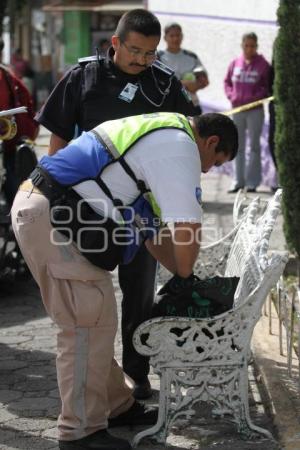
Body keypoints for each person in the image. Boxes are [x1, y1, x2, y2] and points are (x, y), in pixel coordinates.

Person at [12, 111, 238, 450]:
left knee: (97, 319)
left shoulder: (162, 138)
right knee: (84, 324)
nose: (208, 171)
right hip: (53, 216)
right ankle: (80, 433)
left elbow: (155, 237)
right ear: (211, 142)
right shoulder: (180, 148)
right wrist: (189, 279)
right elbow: (186, 228)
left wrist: (183, 276)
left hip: (51, 210)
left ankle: (116, 406)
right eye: (216, 163)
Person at [35, 8, 199, 401]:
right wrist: (52, 198)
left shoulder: (163, 84)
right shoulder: (84, 77)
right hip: (86, 207)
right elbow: (56, 141)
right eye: (135, 51)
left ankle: (136, 375)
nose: (142, 61)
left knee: (139, 292)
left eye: (150, 53)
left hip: (143, 209)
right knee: (90, 297)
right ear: (115, 44)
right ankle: (96, 382)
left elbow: (189, 134)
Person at [224, 32, 270, 193]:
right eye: (246, 45)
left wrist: (253, 99)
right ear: (242, 45)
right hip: (237, 110)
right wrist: (232, 96)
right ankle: (238, 181)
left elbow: (266, 87)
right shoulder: (235, 63)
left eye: (252, 46)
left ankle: (252, 182)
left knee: (254, 147)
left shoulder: (263, 64)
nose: (249, 49)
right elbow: (227, 82)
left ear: (256, 46)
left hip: (255, 111)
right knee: (238, 146)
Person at [0, 39, 39, 205]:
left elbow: (27, 109)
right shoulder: (8, 77)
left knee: (14, 192)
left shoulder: (8, 78)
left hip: (6, 148)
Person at [158, 22, 209, 114]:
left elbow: (204, 81)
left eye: (178, 35)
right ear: (165, 38)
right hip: (167, 107)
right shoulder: (158, 57)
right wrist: (183, 83)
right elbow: (157, 82)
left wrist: (196, 85)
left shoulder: (191, 57)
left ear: (182, 36)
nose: (175, 39)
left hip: (191, 106)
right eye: (172, 35)